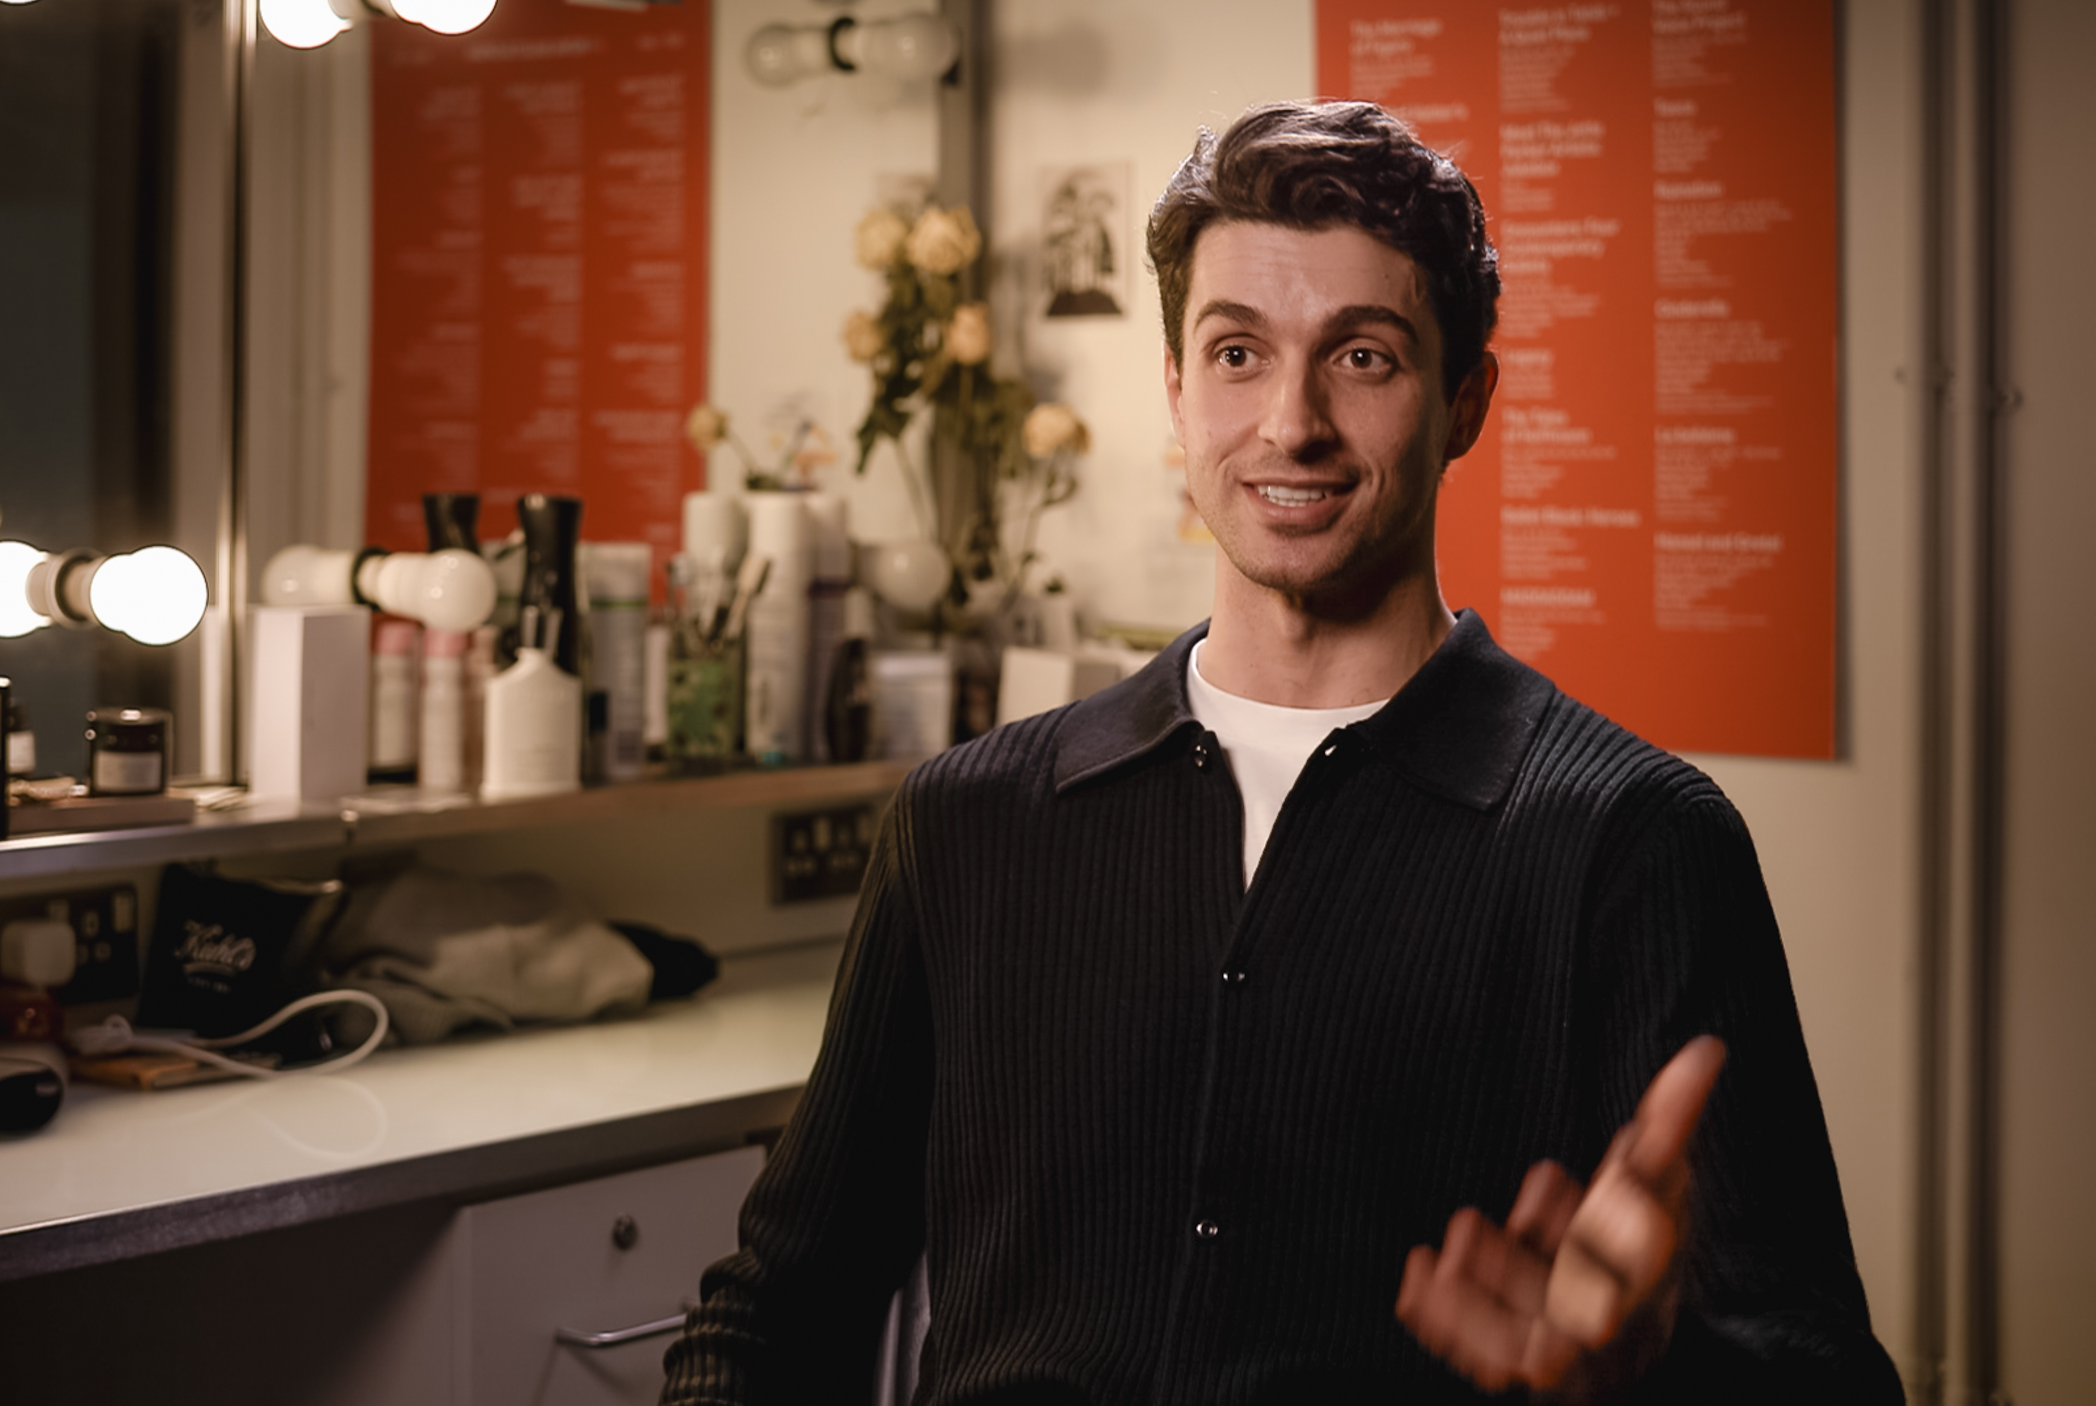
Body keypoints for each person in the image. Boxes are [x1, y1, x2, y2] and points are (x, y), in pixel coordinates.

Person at [660, 101, 1901, 1403]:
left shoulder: (1637, 842)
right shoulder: (967, 821)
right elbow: (771, 1315)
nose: (1290, 422)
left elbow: (1826, 1378)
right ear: (1176, 387)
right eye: (1238, 352)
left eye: (1363, 357)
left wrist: (1651, 1371)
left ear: (1466, 400)